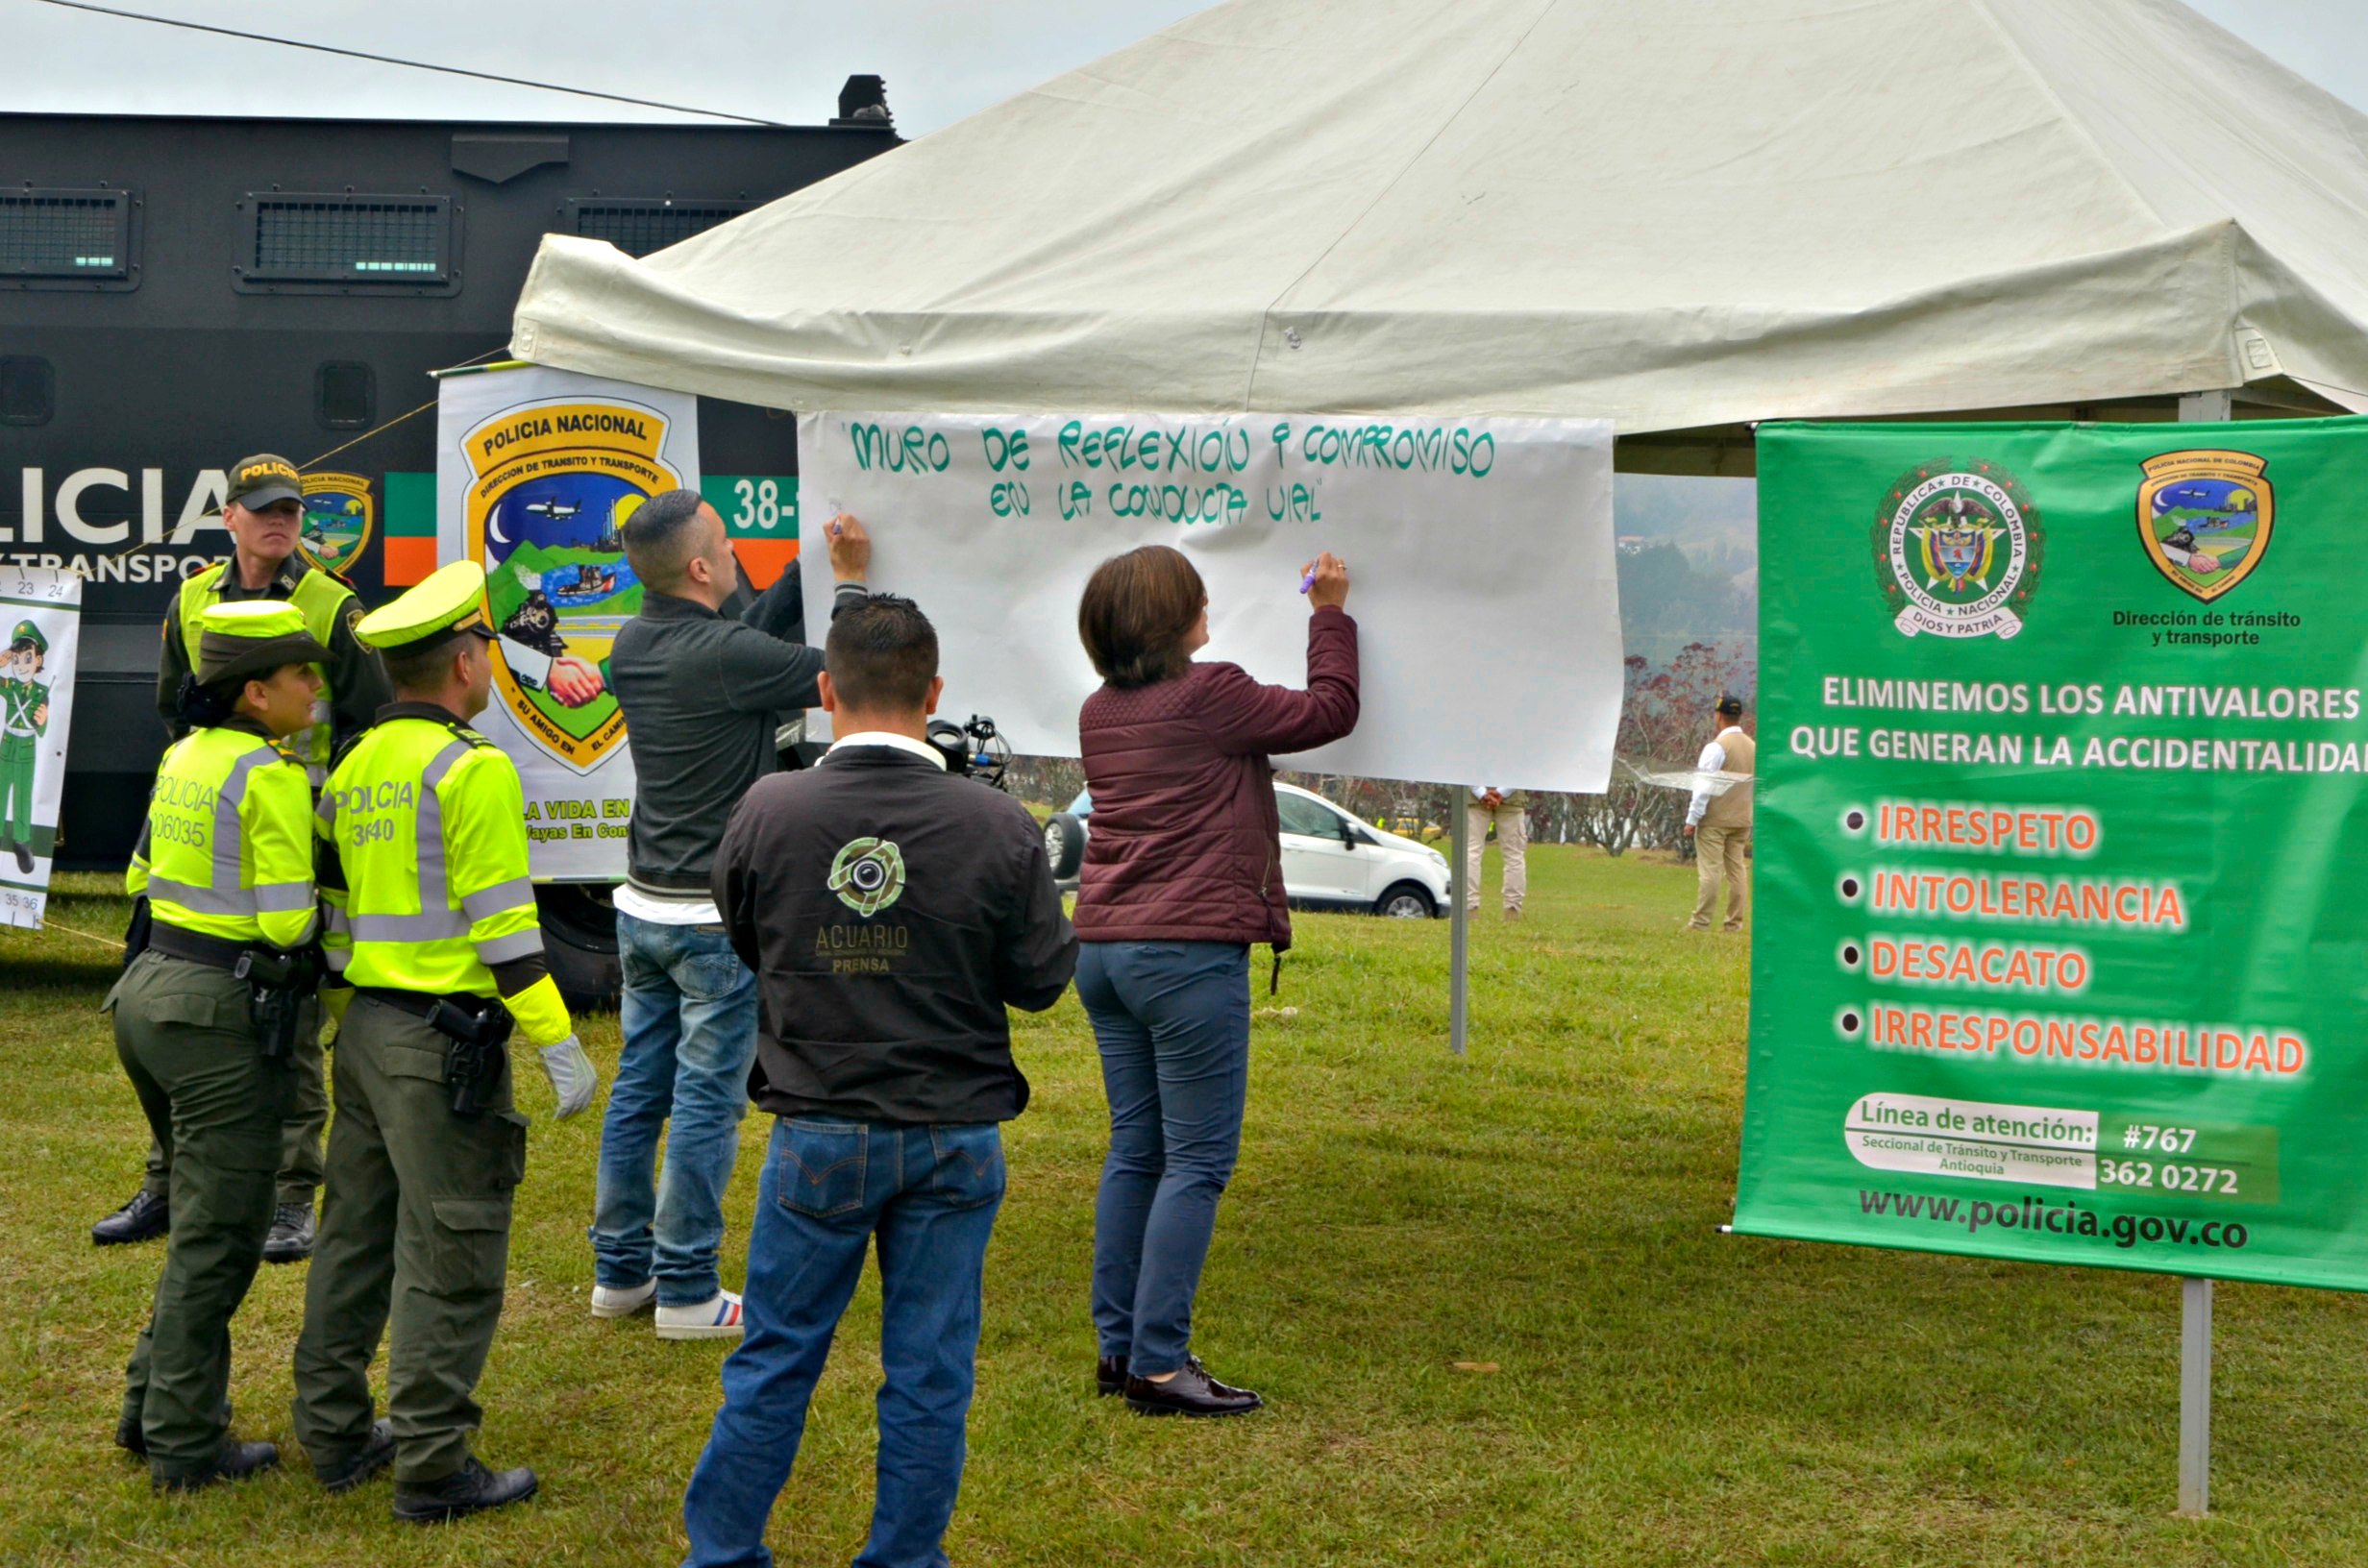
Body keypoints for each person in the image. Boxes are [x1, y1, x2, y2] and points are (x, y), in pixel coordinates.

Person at [685, 595, 1075, 1568]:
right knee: (930, 1372)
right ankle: (904, 1557)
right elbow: (1039, 982)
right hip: (952, 1129)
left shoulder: (767, 807)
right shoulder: (997, 823)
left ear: (825, 692)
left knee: (775, 1358)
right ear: (934, 692)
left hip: (820, 1122)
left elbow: (749, 936)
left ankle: (723, 1552)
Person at [291, 559, 598, 1523]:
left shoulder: (351, 769)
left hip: (370, 1030)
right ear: (468, 662)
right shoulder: (473, 770)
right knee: (453, 1247)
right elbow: (507, 933)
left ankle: (335, 1432)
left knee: (354, 1236)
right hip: (444, 1042)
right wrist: (558, 1043)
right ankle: (431, 1464)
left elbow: (333, 918)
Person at [1073, 544, 1358, 1416]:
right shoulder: (1211, 694)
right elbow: (1330, 711)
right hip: (1186, 954)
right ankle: (1159, 1365)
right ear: (1170, 620)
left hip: (1106, 951)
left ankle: (1120, 1350)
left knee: (1137, 1151)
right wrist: (1330, 612)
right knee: (1195, 1162)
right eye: (1199, 598)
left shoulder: (1097, 711)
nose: (1211, 609)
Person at [95, 453, 392, 1259]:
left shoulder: (333, 605)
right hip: (202, 826)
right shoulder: (191, 597)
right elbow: (175, 705)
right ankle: (166, 1178)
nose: (279, 523)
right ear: (228, 517)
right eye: (263, 509)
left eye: (291, 511)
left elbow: (372, 720)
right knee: (164, 999)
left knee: (288, 1014)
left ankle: (293, 1196)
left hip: (297, 830)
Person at [590, 491, 871, 1340]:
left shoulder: (633, 643)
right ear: (703, 567)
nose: (738, 545)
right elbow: (845, 672)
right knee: (708, 1101)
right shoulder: (724, 654)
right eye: (726, 541)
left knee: (642, 1087)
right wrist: (848, 583)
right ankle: (684, 1292)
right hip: (711, 923)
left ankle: (621, 1275)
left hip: (642, 907)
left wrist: (801, 570)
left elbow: (746, 625)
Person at [107, 601, 332, 1490]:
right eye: (300, 675)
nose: (315, 686)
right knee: (224, 1234)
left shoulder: (184, 755)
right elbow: (283, 920)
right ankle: (186, 1444)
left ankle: (146, 1407)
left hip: (148, 994)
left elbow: (139, 874)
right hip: (215, 1017)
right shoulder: (269, 775)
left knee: (198, 1222)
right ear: (254, 693)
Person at [1684, 694, 1755, 933]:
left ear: (1719, 716)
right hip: (1743, 818)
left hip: (1715, 819)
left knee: (1711, 871)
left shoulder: (1716, 748)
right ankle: (1734, 924)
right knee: (1737, 870)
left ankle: (1701, 922)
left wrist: (1692, 818)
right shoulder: (1753, 746)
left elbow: (1704, 786)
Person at [1, 619, 52, 873]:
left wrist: (42, 722)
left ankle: (21, 842)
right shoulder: (9, 686)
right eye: (17, 658)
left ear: (38, 660)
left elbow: (42, 727)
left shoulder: (42, 691)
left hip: (26, 750)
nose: (21, 665)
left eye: (27, 657)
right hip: (6, 747)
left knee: (22, 796)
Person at [1464, 786, 1529, 919]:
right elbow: (1521, 766)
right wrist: (1503, 792)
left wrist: (1481, 793)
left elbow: (1467, 766)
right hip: (1512, 798)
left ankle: (1469, 908)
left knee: (1471, 851)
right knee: (1514, 856)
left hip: (1474, 798)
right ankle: (1512, 910)